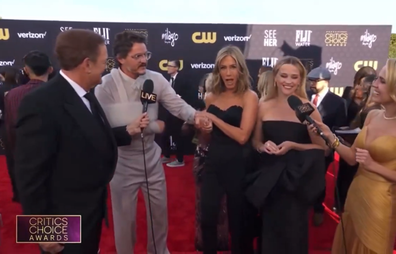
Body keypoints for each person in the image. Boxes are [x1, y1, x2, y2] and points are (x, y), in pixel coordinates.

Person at [14, 29, 148, 254]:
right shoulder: (40, 103)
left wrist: (126, 131)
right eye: (104, 62)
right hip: (63, 220)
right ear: (87, 64)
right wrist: (43, 231)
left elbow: (87, 136)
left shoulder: (85, 93)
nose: (107, 67)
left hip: (89, 213)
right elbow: (29, 173)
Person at [95, 30, 198, 254]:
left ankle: (159, 251)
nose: (144, 60)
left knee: (159, 216)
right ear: (121, 58)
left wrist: (196, 116)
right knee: (124, 222)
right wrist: (152, 125)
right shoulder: (106, 85)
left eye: (146, 55)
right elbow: (104, 129)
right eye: (137, 56)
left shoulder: (156, 79)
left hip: (152, 158)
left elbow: (178, 106)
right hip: (121, 163)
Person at [309, 59, 396, 254]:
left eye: (381, 80)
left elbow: (369, 163)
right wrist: (329, 135)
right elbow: (351, 157)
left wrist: (373, 166)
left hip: (382, 203)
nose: (374, 84)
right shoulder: (373, 116)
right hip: (356, 193)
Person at [247, 56, 327, 253]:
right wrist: (262, 146)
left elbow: (322, 149)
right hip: (269, 181)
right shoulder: (263, 104)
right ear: (275, 77)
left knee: (293, 235)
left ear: (300, 80)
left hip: (296, 182)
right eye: (283, 75)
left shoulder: (307, 108)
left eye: (294, 77)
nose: (288, 81)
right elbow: (255, 141)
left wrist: (294, 146)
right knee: (269, 234)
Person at [195, 45, 258, 254]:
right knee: (207, 216)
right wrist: (204, 128)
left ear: (241, 69)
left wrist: (213, 117)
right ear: (218, 70)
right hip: (213, 161)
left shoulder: (249, 96)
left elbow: (242, 136)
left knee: (238, 223)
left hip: (239, 164)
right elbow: (206, 136)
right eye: (223, 67)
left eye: (232, 67)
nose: (228, 73)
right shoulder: (211, 96)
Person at [4, 51, 52, 203]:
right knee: (61, 218)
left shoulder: (12, 95)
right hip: (54, 166)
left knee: (34, 214)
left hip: (24, 164)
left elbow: (10, 130)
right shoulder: (60, 93)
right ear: (50, 69)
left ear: (26, 70)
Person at [306, 67, 347, 226]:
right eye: (311, 80)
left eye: (316, 81)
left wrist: (329, 146)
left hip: (324, 150)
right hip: (303, 146)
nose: (312, 84)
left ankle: (318, 209)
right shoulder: (304, 98)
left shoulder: (338, 102)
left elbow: (339, 128)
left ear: (326, 81)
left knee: (319, 179)